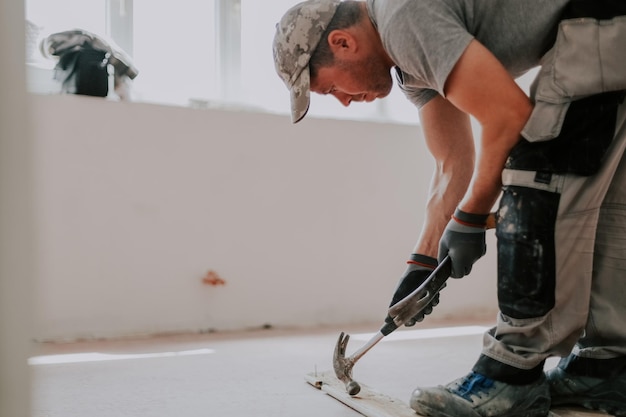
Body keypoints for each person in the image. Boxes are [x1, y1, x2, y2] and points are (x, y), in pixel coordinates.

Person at [273, 0, 626, 416]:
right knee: (605, 204)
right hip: (606, 26)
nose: (344, 102)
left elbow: (510, 118)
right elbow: (452, 163)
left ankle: (509, 375)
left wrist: (472, 215)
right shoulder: (408, 65)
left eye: (330, 88)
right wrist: (422, 261)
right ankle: (605, 366)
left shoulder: (401, 19)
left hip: (600, 18)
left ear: (343, 42)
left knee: (538, 179)